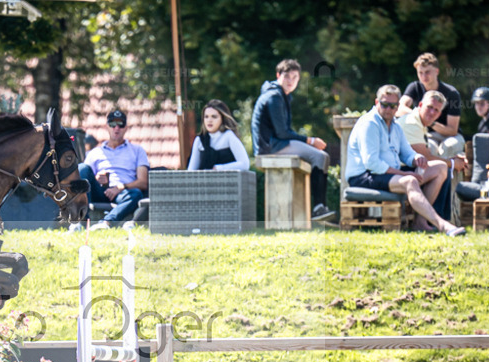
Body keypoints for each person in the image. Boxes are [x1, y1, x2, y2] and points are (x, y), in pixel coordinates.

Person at [346, 84, 464, 237]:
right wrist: (402, 173)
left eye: (393, 105)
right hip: (364, 176)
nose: (388, 109)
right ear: (377, 103)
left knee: (440, 168)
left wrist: (417, 159)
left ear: (397, 107)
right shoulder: (370, 124)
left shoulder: (395, 125)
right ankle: (443, 225)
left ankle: (420, 222)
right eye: (384, 104)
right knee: (410, 181)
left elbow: (407, 153)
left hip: (386, 173)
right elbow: (372, 163)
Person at [251, 59, 331, 218]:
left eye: (295, 78)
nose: (291, 81)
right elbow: (282, 133)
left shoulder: (280, 95)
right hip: (270, 147)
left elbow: (283, 132)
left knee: (320, 157)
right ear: (278, 75)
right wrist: (311, 140)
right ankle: (318, 208)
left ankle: (317, 208)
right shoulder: (274, 96)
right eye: (287, 76)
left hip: (274, 144)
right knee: (320, 156)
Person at [77, 109, 150, 230]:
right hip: (100, 191)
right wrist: (98, 179)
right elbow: (84, 177)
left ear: (126, 128)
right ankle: (81, 220)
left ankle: (107, 222)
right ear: (107, 127)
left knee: (136, 193)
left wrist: (120, 187)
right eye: (112, 124)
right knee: (82, 168)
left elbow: (143, 182)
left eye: (120, 124)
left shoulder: (137, 150)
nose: (116, 128)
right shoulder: (95, 152)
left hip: (124, 192)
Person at [397, 90, 462, 221]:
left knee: (442, 168)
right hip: (396, 173)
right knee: (441, 168)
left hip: (405, 170)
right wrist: (454, 163)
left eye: (436, 110)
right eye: (429, 107)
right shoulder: (411, 123)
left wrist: (451, 162)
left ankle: (433, 220)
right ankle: (427, 220)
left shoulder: (419, 122)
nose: (432, 112)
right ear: (420, 105)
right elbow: (425, 157)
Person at [396, 52, 465, 158]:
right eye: (420, 73)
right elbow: (399, 108)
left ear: (436, 71)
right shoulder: (415, 87)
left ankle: (446, 173)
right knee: (429, 150)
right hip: (428, 135)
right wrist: (421, 116)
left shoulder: (451, 93)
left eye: (427, 72)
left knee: (447, 148)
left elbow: (452, 130)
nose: (424, 76)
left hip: (451, 137)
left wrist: (430, 122)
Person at [187, 99, 250, 171]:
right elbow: (191, 171)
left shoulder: (228, 136)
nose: (209, 120)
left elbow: (245, 164)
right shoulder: (199, 140)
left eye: (214, 116)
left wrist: (219, 168)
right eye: (206, 117)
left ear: (222, 118)